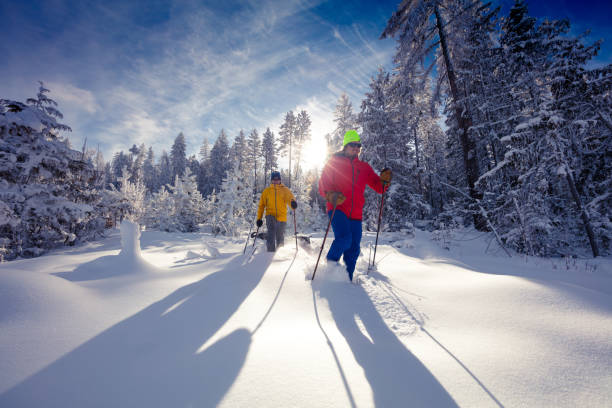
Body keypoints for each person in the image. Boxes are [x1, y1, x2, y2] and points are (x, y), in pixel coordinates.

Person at [318, 130, 392, 281]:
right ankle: (329, 268)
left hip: (356, 213)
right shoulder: (333, 163)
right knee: (344, 238)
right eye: (353, 145)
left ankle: (347, 279)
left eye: (359, 146)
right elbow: (322, 185)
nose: (356, 148)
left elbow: (379, 187)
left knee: (353, 248)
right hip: (337, 208)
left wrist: (384, 181)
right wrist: (331, 195)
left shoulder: (363, 167)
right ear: (345, 146)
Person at [257, 171, 298, 252]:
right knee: (271, 235)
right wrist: (259, 218)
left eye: (277, 179)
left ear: (280, 180)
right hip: (270, 215)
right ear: (271, 180)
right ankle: (269, 254)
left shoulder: (285, 190)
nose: (275, 181)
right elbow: (261, 206)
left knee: (279, 236)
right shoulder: (266, 191)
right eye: (274, 179)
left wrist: (293, 203)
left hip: (281, 217)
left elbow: (290, 198)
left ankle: (279, 255)